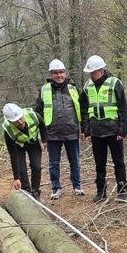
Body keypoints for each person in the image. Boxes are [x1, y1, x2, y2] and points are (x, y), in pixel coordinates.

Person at [79, 55, 127, 202]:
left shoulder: (115, 83)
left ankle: (122, 190)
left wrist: (122, 130)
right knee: (99, 164)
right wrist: (86, 131)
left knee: (118, 162)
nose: (91, 75)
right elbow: (84, 110)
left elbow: (122, 109)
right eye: (90, 72)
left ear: (101, 70)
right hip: (96, 132)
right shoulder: (87, 87)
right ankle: (101, 191)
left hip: (113, 132)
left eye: (93, 72)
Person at [35, 58, 84, 200]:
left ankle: (77, 185)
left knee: (74, 161)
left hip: (71, 131)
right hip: (52, 133)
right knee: (53, 163)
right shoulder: (44, 89)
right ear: (50, 74)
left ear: (65, 73)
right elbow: (38, 112)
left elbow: (82, 108)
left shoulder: (73, 88)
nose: (59, 75)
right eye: (56, 73)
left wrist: (82, 129)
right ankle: (55, 188)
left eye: (61, 72)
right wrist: (41, 135)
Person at [2, 103, 44, 199]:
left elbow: (42, 126)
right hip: (18, 147)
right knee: (22, 171)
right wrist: (16, 178)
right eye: (16, 121)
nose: (20, 122)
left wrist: (44, 141)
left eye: (21, 118)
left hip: (34, 143)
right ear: (10, 121)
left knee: (36, 166)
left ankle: (35, 191)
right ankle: (27, 193)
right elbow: (12, 154)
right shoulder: (8, 129)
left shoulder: (33, 115)